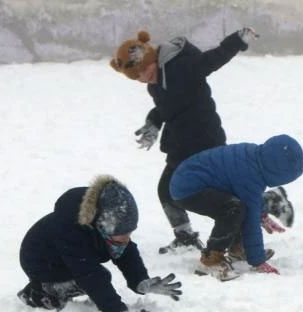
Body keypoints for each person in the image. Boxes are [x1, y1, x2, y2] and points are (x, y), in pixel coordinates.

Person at [109, 27, 255, 255]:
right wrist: (153, 123)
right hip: (180, 145)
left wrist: (237, 40)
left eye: (142, 71)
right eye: (136, 77)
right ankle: (185, 236)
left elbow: (213, 59)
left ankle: (256, 216)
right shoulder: (154, 84)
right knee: (166, 191)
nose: (142, 79)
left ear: (151, 60)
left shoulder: (182, 66)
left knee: (216, 194)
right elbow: (166, 108)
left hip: (205, 141)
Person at [17, 175, 182, 312]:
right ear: (103, 226)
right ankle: (39, 292)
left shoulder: (105, 222)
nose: (127, 239)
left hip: (66, 258)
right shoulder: (70, 229)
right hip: (42, 262)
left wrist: (140, 281)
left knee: (98, 277)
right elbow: (89, 273)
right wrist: (118, 311)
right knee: (92, 279)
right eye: (123, 235)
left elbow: (126, 254)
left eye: (129, 234)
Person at [168, 135, 303, 280]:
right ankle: (211, 260)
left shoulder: (254, 156)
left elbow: (249, 197)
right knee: (233, 209)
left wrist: (262, 213)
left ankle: (238, 249)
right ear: (278, 174)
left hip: (188, 177)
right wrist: (258, 261)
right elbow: (251, 218)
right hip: (188, 189)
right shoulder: (251, 175)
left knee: (240, 205)